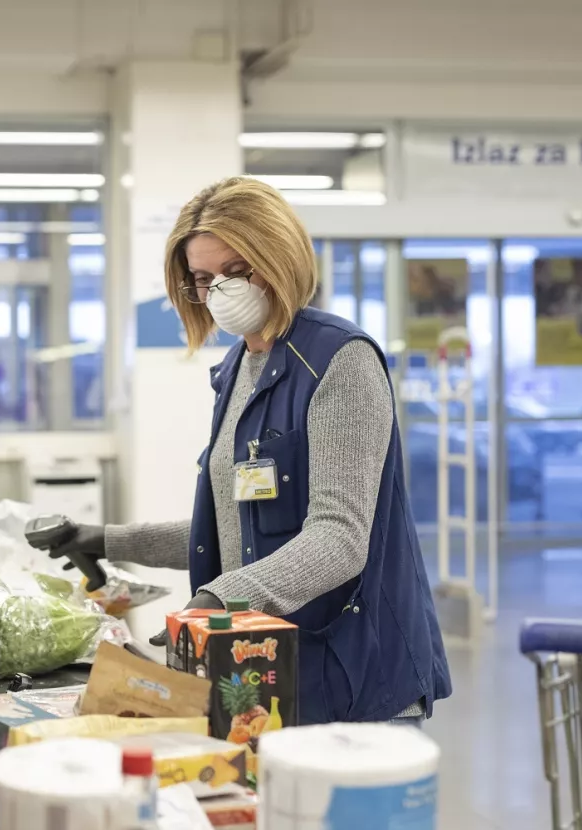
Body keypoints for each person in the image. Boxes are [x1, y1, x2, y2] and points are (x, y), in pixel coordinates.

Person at [40, 177, 451, 726]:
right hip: (270, 675)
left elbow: (339, 538)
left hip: (353, 678)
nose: (221, 292)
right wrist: (107, 539)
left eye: (237, 271)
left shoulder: (339, 360)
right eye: (205, 279)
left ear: (279, 257)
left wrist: (218, 599)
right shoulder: (237, 369)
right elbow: (237, 532)